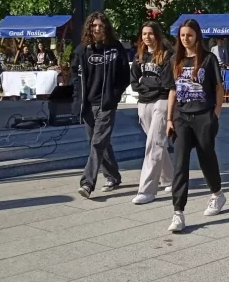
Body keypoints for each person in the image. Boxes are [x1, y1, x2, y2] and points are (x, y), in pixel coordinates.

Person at [166, 18, 226, 233]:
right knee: (180, 162)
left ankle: (217, 194)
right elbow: (172, 90)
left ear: (197, 36)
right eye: (182, 35)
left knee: (206, 157)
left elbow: (219, 88)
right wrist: (169, 118)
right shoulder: (176, 60)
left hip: (203, 116)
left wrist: (215, 114)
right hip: (182, 118)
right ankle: (178, 212)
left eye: (189, 35)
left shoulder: (209, 59)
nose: (185, 39)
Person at [72, 11, 131, 198]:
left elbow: (125, 76)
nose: (97, 28)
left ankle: (87, 183)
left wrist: (114, 95)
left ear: (106, 28)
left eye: (101, 25)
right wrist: (77, 101)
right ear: (90, 28)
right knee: (97, 142)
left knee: (97, 143)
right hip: (88, 105)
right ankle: (113, 175)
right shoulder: (82, 50)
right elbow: (75, 78)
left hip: (106, 104)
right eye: (94, 25)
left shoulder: (115, 48)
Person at [130, 21, 175, 205]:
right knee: (156, 143)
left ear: (157, 35)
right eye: (144, 33)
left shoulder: (167, 55)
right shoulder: (139, 56)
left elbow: (165, 83)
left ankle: (147, 190)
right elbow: (134, 81)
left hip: (162, 101)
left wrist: (147, 85)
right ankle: (170, 178)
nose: (147, 37)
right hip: (144, 102)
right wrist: (145, 87)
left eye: (150, 33)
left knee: (154, 143)